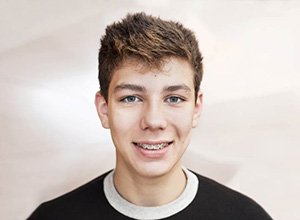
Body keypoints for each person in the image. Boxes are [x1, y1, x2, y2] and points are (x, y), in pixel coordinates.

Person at [28, 12, 272, 219]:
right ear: (104, 109)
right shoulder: (51, 217)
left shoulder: (246, 217)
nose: (154, 121)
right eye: (131, 98)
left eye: (174, 99)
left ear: (196, 109)